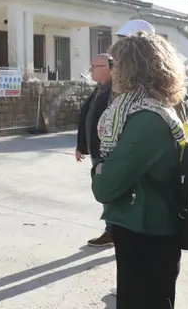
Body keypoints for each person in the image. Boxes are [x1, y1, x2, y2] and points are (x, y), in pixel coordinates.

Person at [91, 32, 188, 308]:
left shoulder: (146, 119)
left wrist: (98, 167)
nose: (113, 69)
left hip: (145, 232)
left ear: (133, 68)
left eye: (115, 63)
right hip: (146, 226)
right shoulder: (153, 108)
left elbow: (105, 187)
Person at [75, 53, 114, 247]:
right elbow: (87, 117)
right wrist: (81, 145)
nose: (90, 70)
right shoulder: (99, 89)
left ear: (107, 68)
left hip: (107, 152)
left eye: (93, 67)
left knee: (108, 192)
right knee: (103, 191)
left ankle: (113, 232)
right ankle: (112, 229)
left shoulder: (115, 92)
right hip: (96, 150)